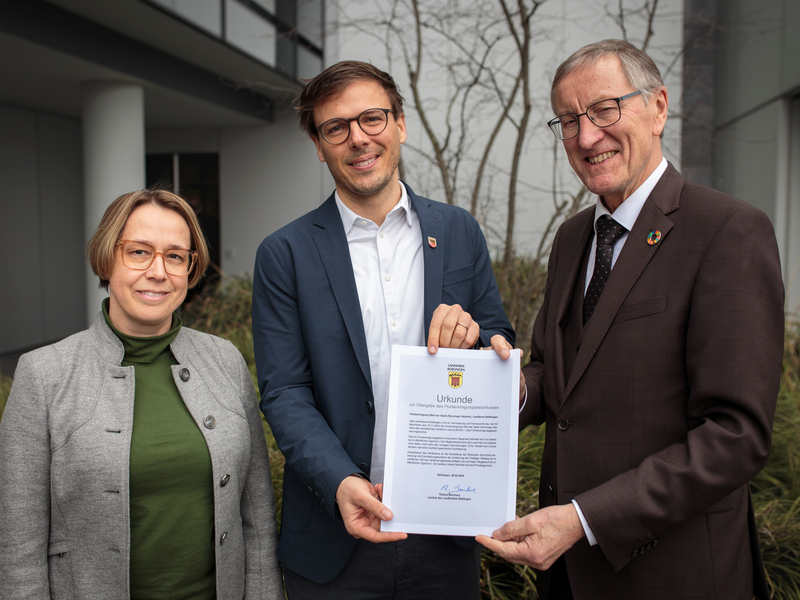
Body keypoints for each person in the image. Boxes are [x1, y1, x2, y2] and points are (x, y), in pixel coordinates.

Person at [478, 39, 784, 600]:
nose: (586, 136)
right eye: (568, 121)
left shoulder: (728, 231)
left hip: (677, 574)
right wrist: (499, 388)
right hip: (571, 577)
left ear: (659, 107)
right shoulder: (574, 237)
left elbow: (735, 436)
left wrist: (583, 519)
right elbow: (558, 374)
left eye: (603, 110)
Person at [252, 61, 518, 599]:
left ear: (400, 123)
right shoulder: (284, 253)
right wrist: (340, 482)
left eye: (372, 118)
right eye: (336, 128)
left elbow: (500, 346)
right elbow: (284, 392)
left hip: (446, 531)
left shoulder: (459, 231)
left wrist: (480, 347)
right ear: (318, 144)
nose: (358, 139)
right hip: (335, 535)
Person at [0, 189, 283, 600]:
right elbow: (18, 543)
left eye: (174, 256)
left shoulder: (225, 362)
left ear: (191, 267)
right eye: (138, 252)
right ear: (106, 259)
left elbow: (256, 518)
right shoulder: (45, 375)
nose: (158, 271)